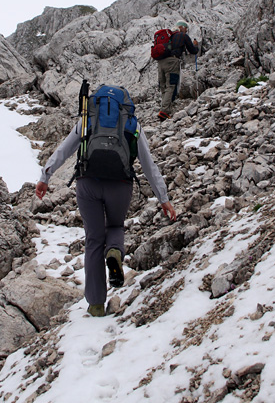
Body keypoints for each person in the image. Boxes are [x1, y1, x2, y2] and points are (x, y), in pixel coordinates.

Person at [35, 87, 177, 317]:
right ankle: (114, 253)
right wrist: (164, 199)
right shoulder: (132, 124)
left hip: (88, 183)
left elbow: (64, 150)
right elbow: (149, 166)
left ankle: (96, 304)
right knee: (115, 227)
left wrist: (45, 177)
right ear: (125, 104)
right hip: (120, 185)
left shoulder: (87, 119)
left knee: (93, 240)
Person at [157, 20, 199, 120]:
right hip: (172, 61)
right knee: (171, 85)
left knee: (163, 86)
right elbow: (193, 50)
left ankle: (165, 107)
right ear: (182, 27)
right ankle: (164, 111)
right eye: (186, 29)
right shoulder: (182, 35)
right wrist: (195, 45)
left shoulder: (167, 36)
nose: (186, 31)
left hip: (160, 62)